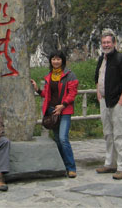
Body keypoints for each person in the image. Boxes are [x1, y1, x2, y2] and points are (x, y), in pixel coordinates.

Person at [30, 50, 78, 178]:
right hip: (52, 110)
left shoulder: (69, 75)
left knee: (63, 138)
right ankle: (62, 165)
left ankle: (71, 167)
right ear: (50, 61)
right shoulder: (49, 76)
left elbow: (72, 93)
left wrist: (63, 105)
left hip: (64, 110)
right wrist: (37, 89)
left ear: (62, 60)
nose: (56, 61)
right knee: (57, 139)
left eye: (58, 59)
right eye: (53, 59)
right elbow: (47, 94)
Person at [94, 32, 122, 180]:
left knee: (119, 134)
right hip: (104, 101)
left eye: (108, 42)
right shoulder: (101, 59)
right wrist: (98, 92)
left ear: (114, 43)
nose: (106, 45)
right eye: (103, 42)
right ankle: (110, 163)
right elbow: (97, 77)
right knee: (108, 134)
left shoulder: (121, 59)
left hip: (117, 101)